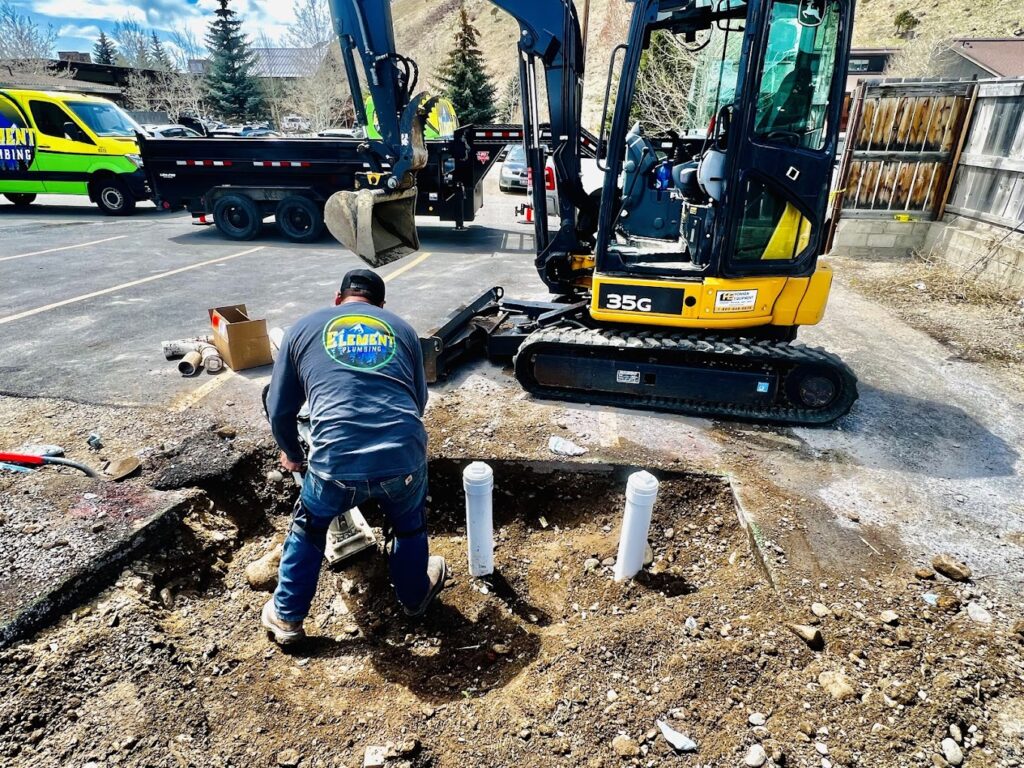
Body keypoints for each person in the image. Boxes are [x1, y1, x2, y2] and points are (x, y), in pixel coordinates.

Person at [261, 268, 446, 645]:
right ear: (380, 305)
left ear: (338, 298)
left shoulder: (302, 328)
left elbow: (279, 408)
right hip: (403, 455)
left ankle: (287, 618)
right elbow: (419, 401)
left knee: (309, 528)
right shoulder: (402, 329)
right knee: (409, 526)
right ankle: (414, 597)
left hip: (334, 465)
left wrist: (293, 454)